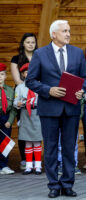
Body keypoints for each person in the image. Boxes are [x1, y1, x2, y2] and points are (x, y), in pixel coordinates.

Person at [26, 20, 86, 198]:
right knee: (52, 148)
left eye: (69, 31)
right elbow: (30, 80)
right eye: (64, 31)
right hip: (49, 109)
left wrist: (81, 90)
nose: (68, 34)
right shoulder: (40, 54)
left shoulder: (77, 53)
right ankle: (53, 185)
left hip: (71, 108)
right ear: (54, 34)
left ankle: (68, 184)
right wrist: (48, 90)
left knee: (69, 148)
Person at [10, 33, 38, 170]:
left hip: (36, 95)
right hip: (22, 95)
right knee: (24, 127)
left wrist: (35, 91)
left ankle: (36, 161)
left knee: (36, 127)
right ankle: (25, 159)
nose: (31, 44)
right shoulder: (16, 59)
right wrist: (27, 93)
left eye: (33, 42)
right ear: (23, 44)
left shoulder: (39, 57)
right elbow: (17, 80)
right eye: (28, 42)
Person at [13, 63, 43, 175]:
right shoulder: (20, 87)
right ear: (23, 74)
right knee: (28, 142)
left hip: (37, 114)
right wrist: (18, 103)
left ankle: (38, 166)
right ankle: (29, 166)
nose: (29, 74)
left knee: (37, 141)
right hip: (25, 113)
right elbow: (15, 102)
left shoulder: (39, 86)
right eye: (26, 72)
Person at [0, 63, 17, 175]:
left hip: (5, 118)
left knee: (5, 143)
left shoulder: (10, 90)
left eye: (2, 74)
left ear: (5, 76)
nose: (0, 76)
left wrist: (10, 121)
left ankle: (4, 166)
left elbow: (14, 108)